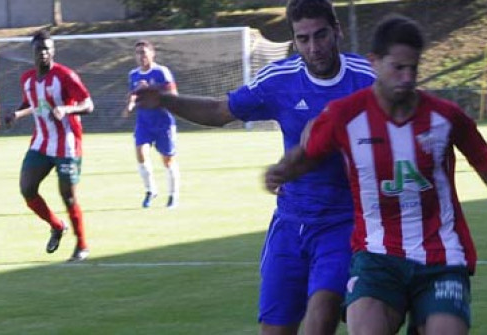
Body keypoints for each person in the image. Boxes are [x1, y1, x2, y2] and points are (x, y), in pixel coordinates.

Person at [264, 14, 487, 335]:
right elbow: (310, 153)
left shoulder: (445, 117)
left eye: (414, 68)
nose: (407, 78)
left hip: (441, 256)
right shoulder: (345, 115)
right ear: (375, 63)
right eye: (398, 67)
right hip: (376, 257)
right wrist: (284, 171)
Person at [135, 1, 375, 333]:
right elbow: (220, 112)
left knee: (321, 314)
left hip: (344, 222)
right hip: (290, 222)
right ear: (294, 40)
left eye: (321, 35)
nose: (314, 47)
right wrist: (166, 100)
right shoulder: (280, 79)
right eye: (303, 39)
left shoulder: (368, 80)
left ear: (337, 31)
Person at [3, 30, 95, 262]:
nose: (44, 53)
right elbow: (32, 102)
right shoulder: (27, 79)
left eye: (48, 49)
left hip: (67, 144)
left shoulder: (65, 76)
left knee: (68, 196)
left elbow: (88, 104)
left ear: (53, 51)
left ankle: (82, 245)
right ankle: (56, 226)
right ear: (32, 52)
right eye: (39, 49)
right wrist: (17, 114)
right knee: (27, 188)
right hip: (41, 143)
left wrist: (67, 109)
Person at [121, 40, 181, 209]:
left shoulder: (162, 72)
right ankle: (150, 190)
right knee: (140, 153)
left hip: (163, 122)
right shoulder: (133, 75)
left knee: (168, 160)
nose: (141, 56)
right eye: (138, 53)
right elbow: (133, 94)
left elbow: (174, 95)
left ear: (152, 54)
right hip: (144, 122)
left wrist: (151, 89)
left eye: (144, 53)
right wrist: (129, 105)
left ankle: (173, 195)